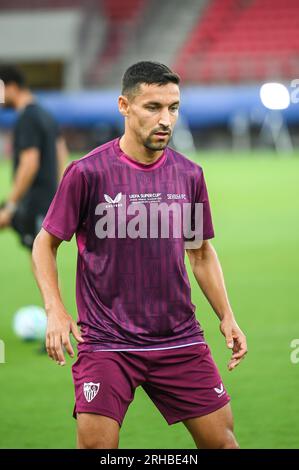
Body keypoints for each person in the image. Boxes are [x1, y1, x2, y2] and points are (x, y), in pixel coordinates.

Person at [32, 61, 247, 449]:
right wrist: (55, 309)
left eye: (173, 108)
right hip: (107, 342)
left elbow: (199, 253)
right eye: (153, 107)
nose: (165, 119)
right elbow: (44, 243)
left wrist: (227, 315)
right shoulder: (87, 173)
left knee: (224, 444)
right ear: (124, 106)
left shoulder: (189, 175)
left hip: (178, 338)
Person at [0, 65, 68, 250]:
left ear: (12, 87)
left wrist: (11, 206)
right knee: (44, 260)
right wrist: (59, 192)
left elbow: (29, 163)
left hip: (34, 203)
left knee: (41, 262)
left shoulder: (27, 118)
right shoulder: (45, 114)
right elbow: (61, 151)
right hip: (47, 201)